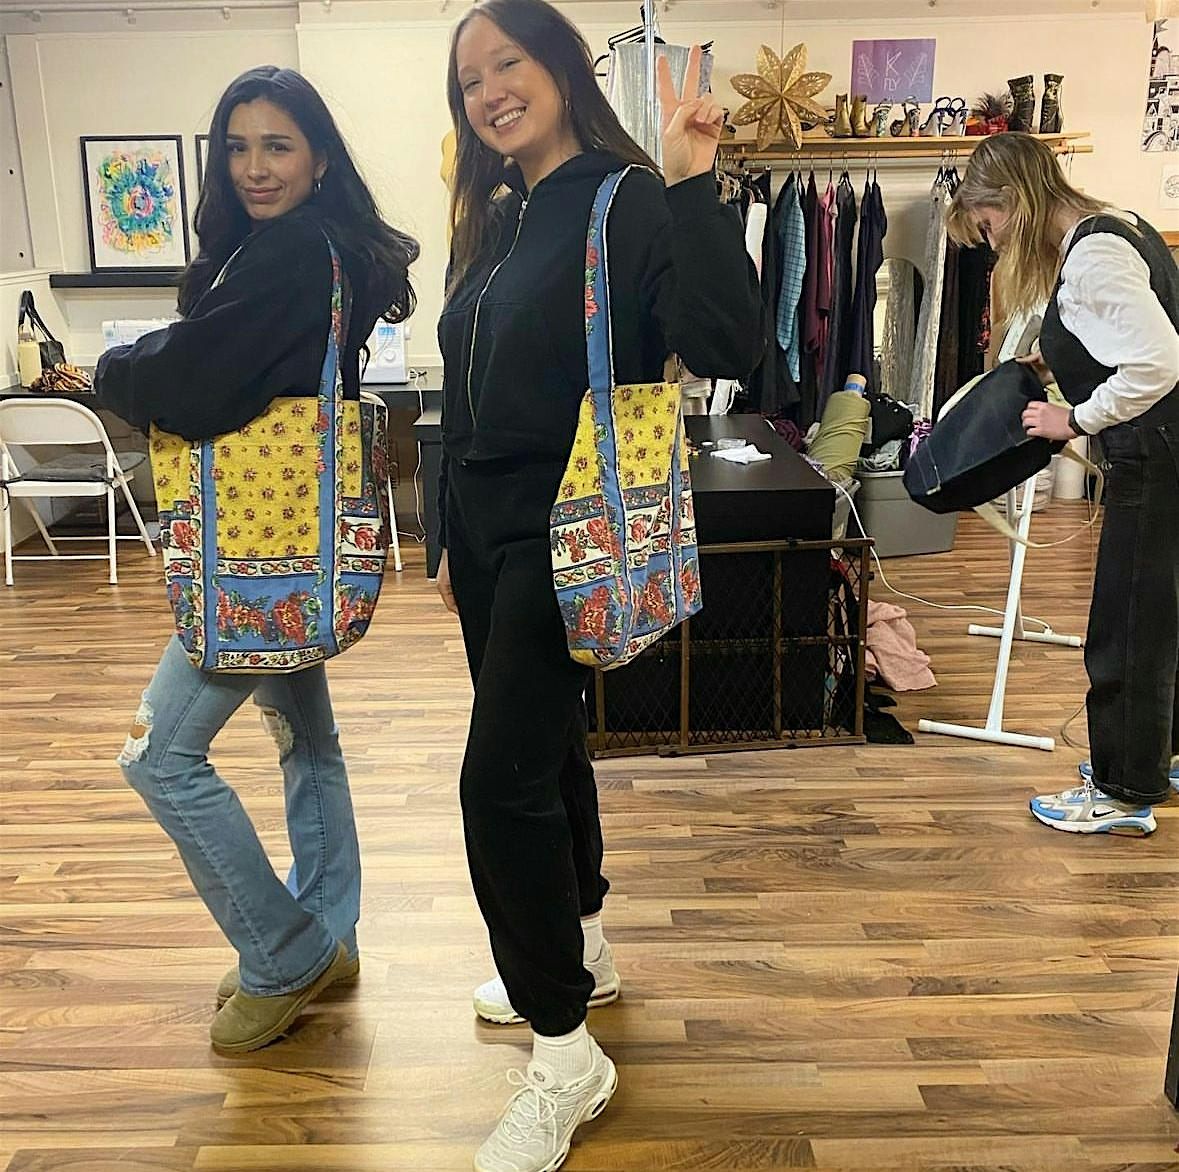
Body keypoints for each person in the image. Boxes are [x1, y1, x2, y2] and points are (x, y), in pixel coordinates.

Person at [436, 2, 762, 1168]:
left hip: (567, 515)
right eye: (469, 79)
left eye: (507, 63)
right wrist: (444, 535)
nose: (488, 91)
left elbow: (726, 344)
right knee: (549, 748)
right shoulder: (500, 215)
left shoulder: (628, 200)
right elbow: (462, 385)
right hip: (486, 531)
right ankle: (582, 942)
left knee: (497, 783)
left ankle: (565, 1051)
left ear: (563, 68)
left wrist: (694, 182)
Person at [94, 66, 418, 1052]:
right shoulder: (328, 250)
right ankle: (329, 933)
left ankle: (283, 953)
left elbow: (197, 378)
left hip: (249, 560)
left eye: (277, 145)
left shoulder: (289, 252)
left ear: (319, 157)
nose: (254, 167)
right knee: (304, 739)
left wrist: (112, 367)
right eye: (237, 147)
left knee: (159, 757)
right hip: (292, 552)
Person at [948, 132, 1179, 836]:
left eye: (988, 226)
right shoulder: (1117, 225)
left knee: (1126, 627)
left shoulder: (1093, 257)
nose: (992, 245)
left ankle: (1121, 790)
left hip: (1152, 456)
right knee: (1160, 616)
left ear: (1014, 200)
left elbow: (1157, 362)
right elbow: (1121, 337)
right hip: (1166, 450)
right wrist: (1057, 363)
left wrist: (1072, 418)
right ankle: (1158, 758)